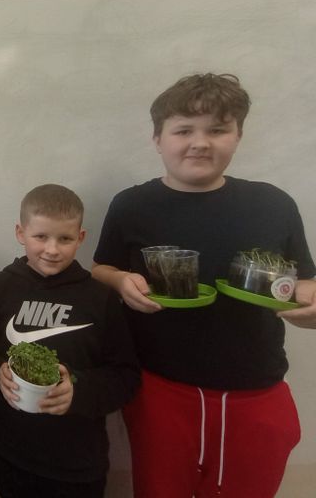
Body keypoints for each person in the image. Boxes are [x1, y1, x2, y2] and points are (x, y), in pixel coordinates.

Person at [92, 73, 316, 498]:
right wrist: (120, 280)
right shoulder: (131, 205)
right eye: (183, 130)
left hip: (257, 389)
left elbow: (305, 282)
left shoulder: (274, 204)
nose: (200, 143)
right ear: (158, 139)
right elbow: (101, 268)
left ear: (238, 135)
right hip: (159, 388)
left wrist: (311, 307)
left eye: (217, 129)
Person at [0, 184, 140, 498]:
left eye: (64, 239)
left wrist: (79, 389)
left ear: (80, 238)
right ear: (20, 233)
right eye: (41, 237)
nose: (52, 249)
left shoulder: (100, 298)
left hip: (79, 462)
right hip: (11, 454)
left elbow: (126, 376)